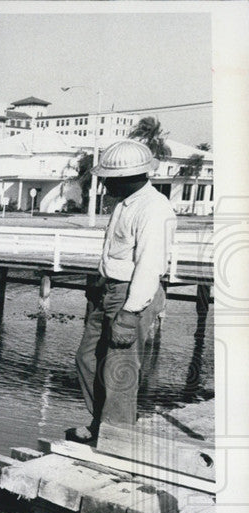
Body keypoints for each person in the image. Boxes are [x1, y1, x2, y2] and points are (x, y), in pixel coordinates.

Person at [74, 139, 176, 441]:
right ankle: (103, 424)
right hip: (109, 290)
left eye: (108, 177)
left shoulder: (154, 208)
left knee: (120, 367)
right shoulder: (123, 204)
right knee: (88, 358)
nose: (104, 183)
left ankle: (116, 437)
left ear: (128, 177)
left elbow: (149, 266)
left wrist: (130, 314)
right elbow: (115, 254)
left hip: (132, 295)